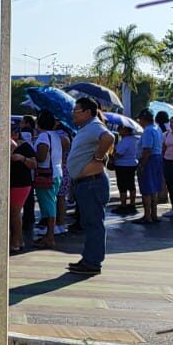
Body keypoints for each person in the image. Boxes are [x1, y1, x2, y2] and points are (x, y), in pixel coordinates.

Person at [65, 98, 116, 276]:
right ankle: (89, 258)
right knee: (90, 222)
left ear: (87, 112)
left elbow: (109, 137)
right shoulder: (87, 128)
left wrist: (98, 157)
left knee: (93, 223)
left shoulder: (94, 126)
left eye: (76, 111)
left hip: (92, 183)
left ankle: (92, 261)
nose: (73, 114)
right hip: (86, 183)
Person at [31, 111, 65, 249]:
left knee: (48, 204)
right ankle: (49, 234)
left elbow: (41, 157)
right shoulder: (55, 135)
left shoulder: (44, 137)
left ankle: (50, 236)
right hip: (57, 172)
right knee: (52, 202)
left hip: (46, 174)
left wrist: (31, 154)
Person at [7, 123, 37, 253]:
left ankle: (17, 240)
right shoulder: (3, 146)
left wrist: (22, 158)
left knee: (15, 212)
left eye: (14, 133)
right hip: (8, 182)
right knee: (10, 213)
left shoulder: (25, 146)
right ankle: (17, 240)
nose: (12, 136)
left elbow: (34, 164)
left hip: (21, 183)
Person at [134, 109, 165, 224]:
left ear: (143, 119)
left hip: (149, 159)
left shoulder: (147, 130)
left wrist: (141, 164)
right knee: (154, 188)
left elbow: (147, 149)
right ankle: (154, 214)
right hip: (157, 158)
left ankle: (147, 216)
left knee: (146, 189)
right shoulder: (157, 128)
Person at [111, 125, 140, 214]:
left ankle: (123, 205)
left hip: (122, 165)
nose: (119, 130)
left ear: (127, 130)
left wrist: (111, 158)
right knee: (131, 184)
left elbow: (119, 153)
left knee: (122, 185)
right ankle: (132, 204)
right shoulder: (135, 139)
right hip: (132, 163)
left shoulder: (126, 141)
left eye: (121, 128)